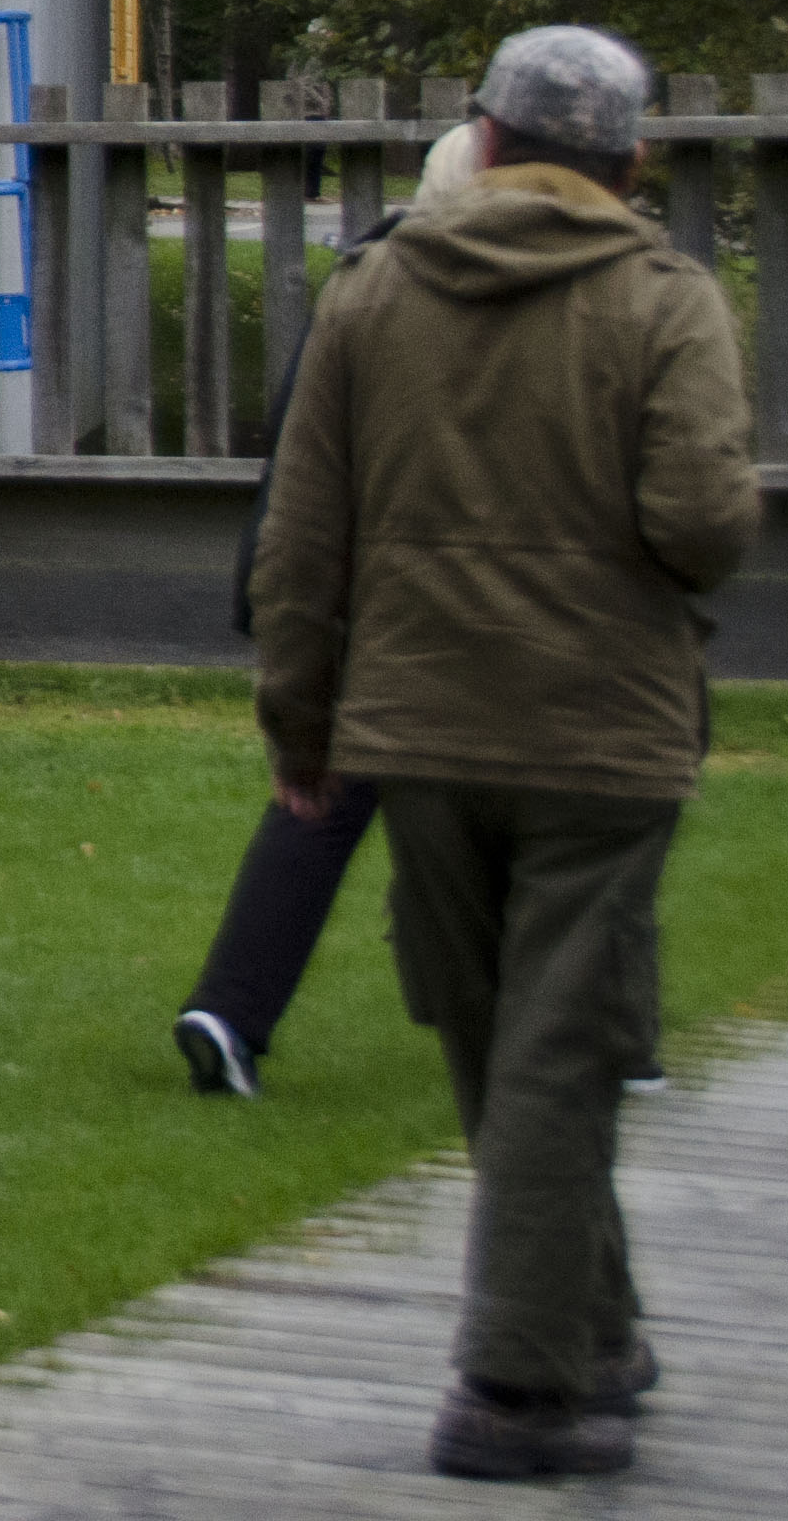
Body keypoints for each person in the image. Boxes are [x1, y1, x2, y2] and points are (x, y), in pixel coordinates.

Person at [253, 25, 755, 1483]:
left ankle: (593, 1330)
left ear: (482, 138)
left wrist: (302, 723)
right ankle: (516, 1388)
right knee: (559, 1047)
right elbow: (700, 529)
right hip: (601, 728)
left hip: (417, 726)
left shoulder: (375, 290)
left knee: (500, 1043)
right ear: (633, 158)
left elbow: (302, 540)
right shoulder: (668, 304)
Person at [174, 115, 483, 1100]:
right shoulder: (449, 296)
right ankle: (578, 1029)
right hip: (415, 593)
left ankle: (226, 1011)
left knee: (318, 800)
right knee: (507, 804)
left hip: (340, 584)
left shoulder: (365, 279)